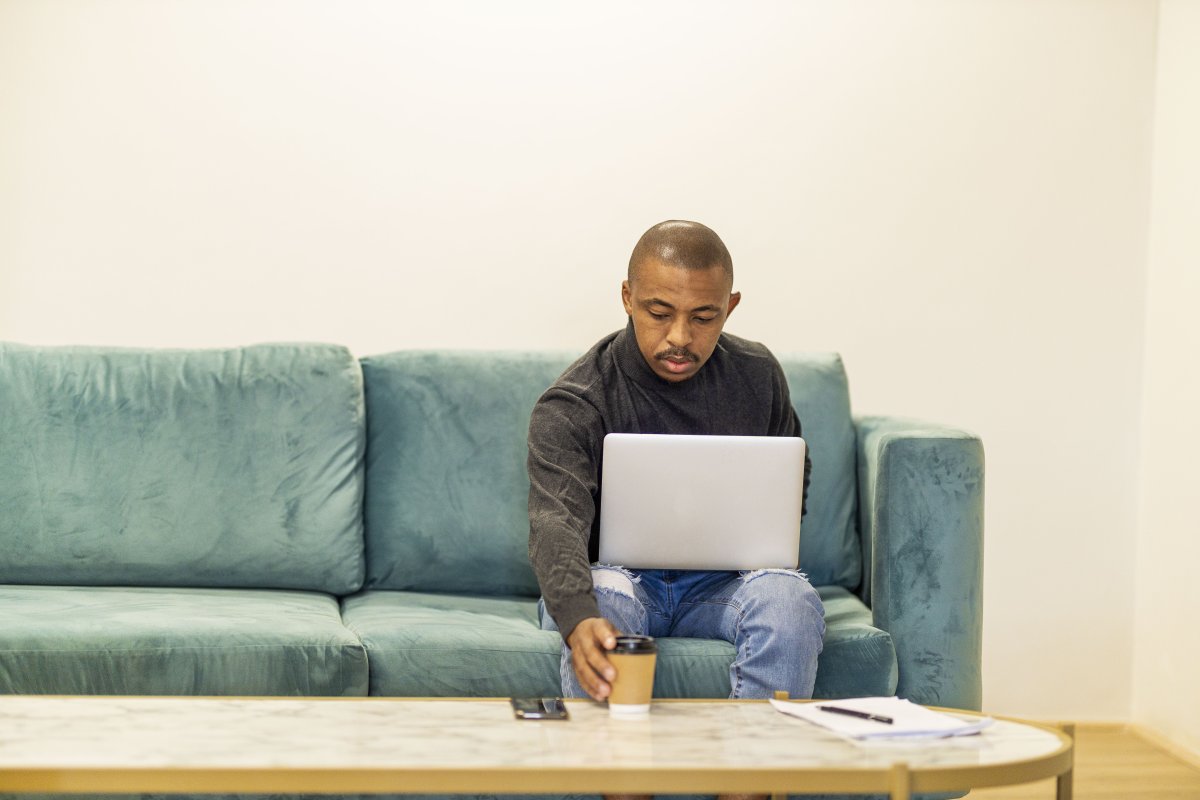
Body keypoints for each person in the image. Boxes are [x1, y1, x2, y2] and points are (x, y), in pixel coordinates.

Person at [527, 220, 826, 706]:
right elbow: (554, 521)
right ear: (628, 297)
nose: (680, 337)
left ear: (730, 307)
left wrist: (761, 542)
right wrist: (578, 619)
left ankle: (750, 779)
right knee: (603, 600)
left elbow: (791, 481)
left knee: (790, 602)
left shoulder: (759, 376)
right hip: (613, 580)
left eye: (704, 317)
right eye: (659, 312)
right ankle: (621, 776)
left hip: (723, 587)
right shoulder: (575, 400)